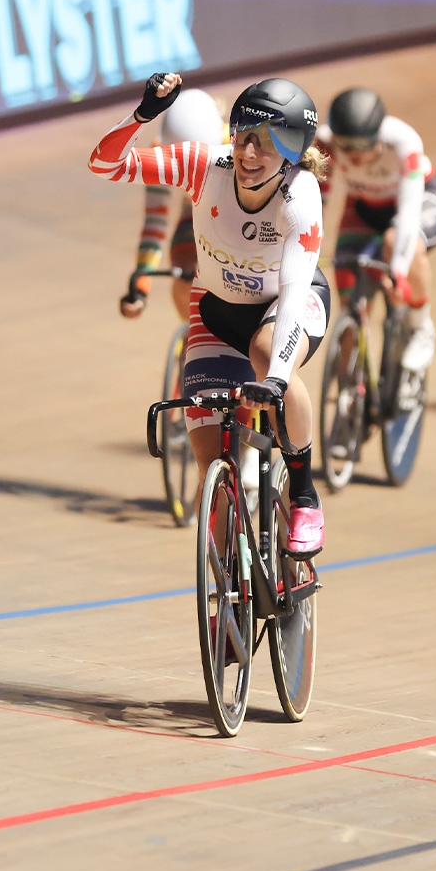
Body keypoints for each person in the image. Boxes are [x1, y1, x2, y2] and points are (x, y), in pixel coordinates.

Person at [89, 71, 331, 558]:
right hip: (216, 315)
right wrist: (144, 114)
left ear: (291, 151)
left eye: (265, 144)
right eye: (243, 137)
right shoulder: (203, 164)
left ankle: (304, 495)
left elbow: (291, 290)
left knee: (266, 353)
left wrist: (278, 379)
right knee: (211, 470)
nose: (247, 154)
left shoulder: (301, 196)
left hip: (288, 308)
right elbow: (105, 165)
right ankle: (229, 597)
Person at [318, 86, 436, 373]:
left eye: (359, 148)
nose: (350, 157)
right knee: (350, 305)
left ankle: (421, 325)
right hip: (364, 207)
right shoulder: (325, 142)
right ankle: (350, 397)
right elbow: (315, 202)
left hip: (421, 200)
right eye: (343, 146)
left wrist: (398, 272)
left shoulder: (404, 141)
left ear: (377, 138)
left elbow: (409, 213)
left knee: (397, 241)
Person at [119, 85, 227, 324]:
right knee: (185, 272)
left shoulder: (233, 146)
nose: (191, 173)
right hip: (194, 213)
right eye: (182, 165)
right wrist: (141, 287)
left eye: (199, 163)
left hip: (227, 213)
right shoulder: (158, 155)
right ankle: (193, 332)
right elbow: (154, 227)